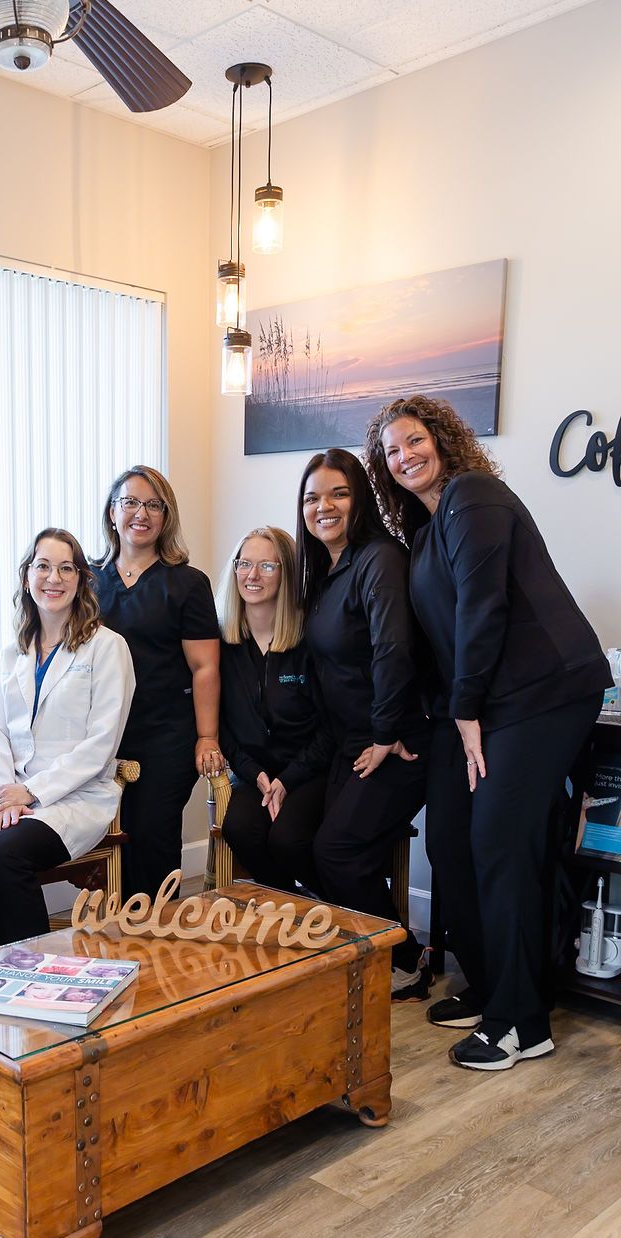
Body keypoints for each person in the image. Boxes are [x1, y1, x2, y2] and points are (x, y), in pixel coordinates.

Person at [365, 395, 609, 1070]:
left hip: (546, 691)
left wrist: (467, 708)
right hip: (482, 701)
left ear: (442, 441)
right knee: (449, 839)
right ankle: (492, 986)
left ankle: (520, 1023)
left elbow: (484, 606)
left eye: (413, 441)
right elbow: (437, 640)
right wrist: (421, 719)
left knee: (499, 844)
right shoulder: (424, 530)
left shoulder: (474, 497)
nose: (404, 456)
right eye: (391, 451)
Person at [0, 529, 135, 944]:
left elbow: (101, 743)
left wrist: (30, 792)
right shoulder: (12, 652)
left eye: (66, 568)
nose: (54, 578)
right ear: (26, 577)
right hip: (8, 790)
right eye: (43, 566)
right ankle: (15, 951)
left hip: (74, 795)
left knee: (4, 853)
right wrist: (5, 791)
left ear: (82, 579)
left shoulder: (107, 648)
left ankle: (37, 968)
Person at [296, 448, 432, 999]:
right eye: (311, 498)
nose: (323, 506)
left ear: (361, 500)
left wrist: (383, 733)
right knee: (308, 845)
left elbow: (393, 649)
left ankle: (405, 960)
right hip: (349, 740)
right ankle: (360, 951)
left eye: (339, 493)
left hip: (397, 740)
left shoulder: (379, 558)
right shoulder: (326, 571)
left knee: (337, 851)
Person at [94, 466, 222, 898]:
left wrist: (206, 736)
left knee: (151, 837)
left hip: (165, 734)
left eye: (154, 505)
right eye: (130, 502)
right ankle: (108, 943)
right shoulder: (88, 581)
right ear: (112, 512)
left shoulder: (187, 583)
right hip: (101, 736)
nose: (141, 513)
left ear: (166, 517)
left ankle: (157, 942)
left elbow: (205, 667)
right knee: (102, 840)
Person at [215, 525, 331, 892]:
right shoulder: (221, 645)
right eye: (245, 564)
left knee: (288, 839)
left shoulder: (311, 640)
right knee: (240, 829)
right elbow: (222, 728)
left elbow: (330, 729)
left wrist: (288, 779)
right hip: (255, 774)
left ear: (288, 575)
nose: (252, 575)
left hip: (309, 772)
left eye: (267, 566)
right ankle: (295, 908)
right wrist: (255, 774)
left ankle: (347, 914)